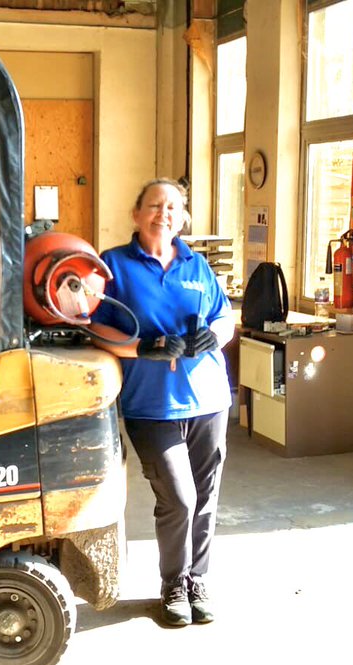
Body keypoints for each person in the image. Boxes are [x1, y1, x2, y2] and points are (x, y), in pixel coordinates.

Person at [89, 178, 234, 627]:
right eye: (154, 205)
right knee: (180, 498)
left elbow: (225, 315)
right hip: (150, 405)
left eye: (172, 207)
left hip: (209, 399)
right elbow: (94, 328)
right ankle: (173, 583)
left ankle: (197, 580)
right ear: (136, 213)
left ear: (182, 217)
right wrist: (141, 348)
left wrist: (218, 334)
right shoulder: (113, 265)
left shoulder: (197, 265)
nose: (163, 214)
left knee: (206, 496)